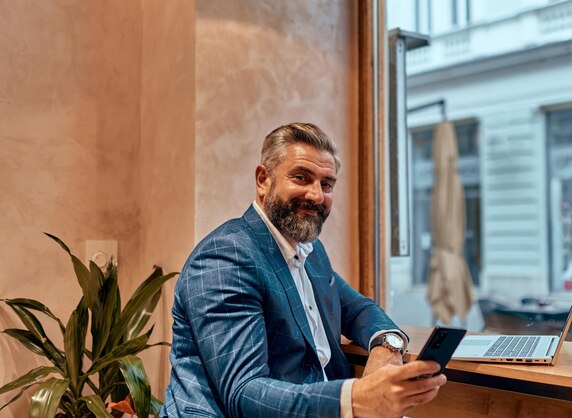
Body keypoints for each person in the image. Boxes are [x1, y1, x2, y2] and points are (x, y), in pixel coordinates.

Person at [161, 123, 446, 418]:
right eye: (301, 177)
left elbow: (358, 309)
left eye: (327, 184)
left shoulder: (309, 249)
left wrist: (386, 347)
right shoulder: (226, 256)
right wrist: (355, 400)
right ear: (263, 180)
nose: (316, 196)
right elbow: (244, 394)